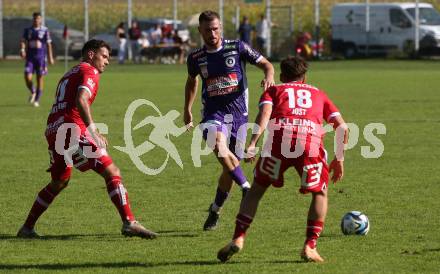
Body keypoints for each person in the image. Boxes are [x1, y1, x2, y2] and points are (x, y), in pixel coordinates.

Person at [17, 39, 158, 240]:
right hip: (72, 129)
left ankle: (26, 228)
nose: (107, 62)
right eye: (104, 56)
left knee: (59, 181)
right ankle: (129, 222)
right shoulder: (89, 71)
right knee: (112, 171)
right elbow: (81, 99)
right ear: (91, 54)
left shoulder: (70, 73)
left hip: (53, 129)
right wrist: (93, 130)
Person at [217, 56, 349, 263]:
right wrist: (339, 158)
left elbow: (265, 114)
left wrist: (252, 143)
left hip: (279, 141)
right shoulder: (318, 94)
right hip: (309, 144)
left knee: (256, 191)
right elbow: (342, 127)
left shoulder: (274, 90)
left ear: (281, 76)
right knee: (320, 193)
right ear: (304, 78)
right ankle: (310, 246)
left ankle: (238, 238)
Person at [184, 10, 275, 231]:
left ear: (220, 27)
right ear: (200, 31)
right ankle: (246, 187)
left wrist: (269, 76)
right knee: (218, 145)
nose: (212, 33)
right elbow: (192, 81)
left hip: (238, 117)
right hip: (213, 114)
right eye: (207, 30)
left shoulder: (238, 47)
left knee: (229, 168)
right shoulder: (195, 57)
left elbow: (267, 64)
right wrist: (187, 109)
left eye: (215, 29)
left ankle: (215, 210)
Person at [20, 12, 54, 107]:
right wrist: (22, 50)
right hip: (30, 58)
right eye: (35, 18)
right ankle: (33, 91)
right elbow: (23, 41)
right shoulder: (28, 30)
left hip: (41, 59)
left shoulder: (45, 30)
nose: (36, 20)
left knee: (39, 78)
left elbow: (49, 44)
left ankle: (37, 99)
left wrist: (50, 57)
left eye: (38, 18)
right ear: (33, 19)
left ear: (41, 19)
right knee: (27, 77)